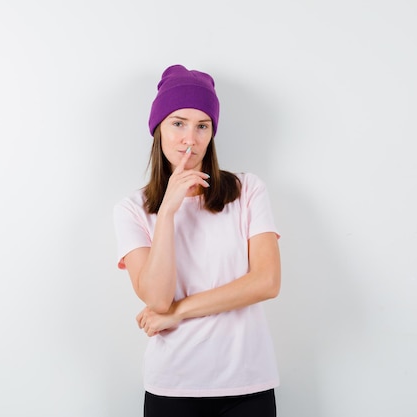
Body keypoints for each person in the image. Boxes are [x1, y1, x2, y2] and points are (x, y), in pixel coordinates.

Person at [113, 64, 281, 417]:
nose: (190, 138)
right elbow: (157, 298)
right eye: (178, 123)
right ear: (158, 129)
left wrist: (179, 312)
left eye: (202, 125)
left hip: (247, 384)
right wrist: (168, 213)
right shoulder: (132, 209)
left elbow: (266, 282)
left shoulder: (247, 190)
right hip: (173, 386)